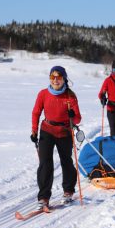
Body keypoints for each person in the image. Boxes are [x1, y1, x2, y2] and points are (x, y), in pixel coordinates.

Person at [31, 66, 81, 210]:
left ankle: (68, 191)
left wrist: (73, 117)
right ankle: (43, 198)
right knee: (45, 164)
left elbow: (77, 118)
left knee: (66, 162)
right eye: (52, 77)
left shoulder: (70, 96)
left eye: (58, 77)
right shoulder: (43, 94)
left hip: (64, 131)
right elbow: (36, 113)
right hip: (47, 130)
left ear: (64, 78)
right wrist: (34, 131)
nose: (55, 80)